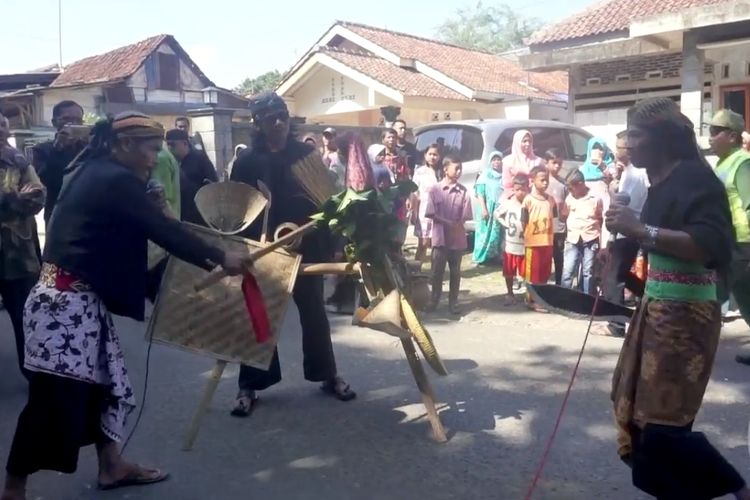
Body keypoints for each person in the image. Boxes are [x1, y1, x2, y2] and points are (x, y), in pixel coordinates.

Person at [1, 112, 250, 500]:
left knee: (105, 384)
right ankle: (14, 488)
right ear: (125, 145)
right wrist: (222, 257)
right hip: (64, 308)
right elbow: (164, 233)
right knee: (52, 401)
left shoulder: (93, 170)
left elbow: (137, 229)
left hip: (74, 302)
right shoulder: (114, 180)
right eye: (151, 150)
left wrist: (157, 210)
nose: (155, 159)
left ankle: (111, 465)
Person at [607, 97, 749, 500]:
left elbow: (708, 244)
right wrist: (621, 257)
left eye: (636, 134)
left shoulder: (695, 180)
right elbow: (655, 249)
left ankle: (738, 489)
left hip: (687, 317)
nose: (627, 143)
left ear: (663, 139)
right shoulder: (658, 182)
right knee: (636, 413)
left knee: (663, 425)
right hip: (656, 310)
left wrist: (640, 230)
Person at [230, 92, 356, 418]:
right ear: (256, 123)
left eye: (283, 115)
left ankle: (327, 375)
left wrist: (330, 238)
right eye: (270, 117)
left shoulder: (306, 155)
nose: (279, 122)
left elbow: (328, 204)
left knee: (314, 314)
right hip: (262, 251)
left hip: (306, 246)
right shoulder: (246, 162)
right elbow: (235, 211)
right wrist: (243, 250)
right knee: (259, 316)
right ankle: (250, 384)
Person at [0, 114, 45, 381]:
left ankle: (32, 372)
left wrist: (11, 201)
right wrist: (12, 197)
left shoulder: (18, 160)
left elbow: (38, 196)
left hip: (17, 252)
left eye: (3, 126)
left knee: (24, 315)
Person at [706, 110, 750, 365]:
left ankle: (691, 346)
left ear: (732, 136)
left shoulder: (743, 163)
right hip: (728, 241)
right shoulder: (723, 163)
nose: (710, 137)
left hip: (741, 243)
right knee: (745, 298)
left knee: (714, 294)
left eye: (715, 131)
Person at [596, 130, 649, 337]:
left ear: (629, 148)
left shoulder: (639, 172)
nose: (616, 151)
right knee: (620, 275)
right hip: (622, 231)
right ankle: (648, 302)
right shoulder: (626, 171)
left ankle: (616, 324)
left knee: (613, 277)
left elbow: (634, 202)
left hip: (629, 231)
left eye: (619, 147)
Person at [424, 154, 472, 315]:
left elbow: (466, 214)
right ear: (445, 170)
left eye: (460, 168)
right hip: (440, 237)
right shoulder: (435, 189)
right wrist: (446, 222)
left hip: (457, 238)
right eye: (456, 168)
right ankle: (434, 300)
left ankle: (454, 301)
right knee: (436, 272)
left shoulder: (463, 191)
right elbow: (430, 213)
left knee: (455, 271)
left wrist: (457, 223)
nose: (459, 171)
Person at [31, 100, 86, 227]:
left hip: (88, 212)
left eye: (78, 120)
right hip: (58, 214)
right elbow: (45, 181)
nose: (72, 124)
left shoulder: (89, 149)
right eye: (66, 119)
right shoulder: (42, 150)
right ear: (54, 123)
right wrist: (58, 149)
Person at [521, 166, 558, 310]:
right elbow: (523, 221)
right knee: (533, 273)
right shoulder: (528, 200)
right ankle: (531, 300)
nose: (545, 183)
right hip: (533, 244)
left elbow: (554, 217)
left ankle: (542, 299)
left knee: (545, 272)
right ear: (533, 180)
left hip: (547, 242)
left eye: (547, 180)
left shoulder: (551, 200)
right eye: (542, 180)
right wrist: (528, 237)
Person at [560, 170, 602, 294]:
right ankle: (564, 297)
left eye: (571, 188)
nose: (570, 191)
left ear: (580, 184)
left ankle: (586, 299)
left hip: (590, 239)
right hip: (573, 238)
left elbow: (600, 218)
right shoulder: (569, 198)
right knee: (568, 270)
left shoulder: (594, 198)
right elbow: (564, 215)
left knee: (587, 272)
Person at [166, 128, 218, 225]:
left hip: (200, 215)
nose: (169, 148)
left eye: (172, 144)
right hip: (181, 213)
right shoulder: (171, 162)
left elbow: (212, 184)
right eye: (167, 144)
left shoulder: (200, 159)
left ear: (185, 143)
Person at [497, 173, 529, 304]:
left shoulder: (529, 203)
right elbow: (497, 214)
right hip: (510, 244)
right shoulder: (508, 203)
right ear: (513, 190)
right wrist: (505, 224)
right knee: (509, 271)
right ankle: (510, 293)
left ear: (528, 187)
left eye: (523, 189)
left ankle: (528, 295)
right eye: (517, 190)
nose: (520, 193)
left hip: (524, 245)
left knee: (526, 272)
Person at [472, 151, 504, 265]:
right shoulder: (485, 175)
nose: (497, 162)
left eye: (499, 159)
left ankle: (494, 257)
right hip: (486, 207)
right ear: (490, 162)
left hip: (499, 208)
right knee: (484, 234)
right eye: (494, 159)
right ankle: (480, 257)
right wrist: (484, 208)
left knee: (496, 233)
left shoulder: (503, 175)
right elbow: (480, 193)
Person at [411, 144, 442, 261]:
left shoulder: (442, 172)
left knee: (437, 243)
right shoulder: (420, 172)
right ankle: (416, 268)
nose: (432, 157)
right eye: (430, 154)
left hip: (439, 212)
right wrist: (414, 212)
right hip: (423, 212)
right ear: (425, 155)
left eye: (435, 154)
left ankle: (435, 270)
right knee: (423, 243)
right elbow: (414, 193)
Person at [544, 148, 567, 285]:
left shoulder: (563, 184)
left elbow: (566, 206)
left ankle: (559, 285)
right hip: (544, 228)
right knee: (544, 259)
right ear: (546, 163)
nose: (557, 166)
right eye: (554, 163)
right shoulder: (541, 182)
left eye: (559, 163)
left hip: (559, 228)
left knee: (559, 258)